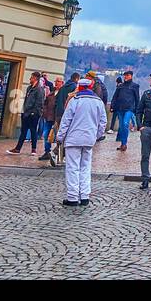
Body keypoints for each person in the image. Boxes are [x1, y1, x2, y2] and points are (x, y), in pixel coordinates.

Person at [56, 76, 107, 207]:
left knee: (73, 168)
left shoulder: (75, 100)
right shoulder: (98, 102)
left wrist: (60, 137)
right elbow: (103, 123)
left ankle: (72, 196)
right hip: (89, 139)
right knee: (85, 167)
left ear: (79, 87)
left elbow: (65, 121)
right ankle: (85, 195)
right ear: (90, 87)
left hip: (73, 138)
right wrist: (96, 136)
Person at [8, 72, 47, 154]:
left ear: (35, 78)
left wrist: (33, 112)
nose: (30, 79)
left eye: (31, 77)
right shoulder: (29, 88)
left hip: (33, 114)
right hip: (26, 113)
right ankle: (18, 149)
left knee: (33, 131)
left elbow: (39, 103)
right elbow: (27, 100)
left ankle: (33, 149)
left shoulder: (39, 89)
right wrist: (24, 111)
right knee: (23, 131)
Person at [44, 74, 75, 164]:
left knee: (60, 136)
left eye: (58, 81)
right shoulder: (52, 92)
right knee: (48, 135)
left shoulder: (64, 91)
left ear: (62, 83)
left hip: (59, 117)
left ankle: (57, 154)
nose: (56, 83)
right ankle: (48, 151)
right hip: (51, 116)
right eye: (55, 81)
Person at [111, 70, 139, 152]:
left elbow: (137, 98)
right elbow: (115, 97)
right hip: (120, 108)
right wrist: (112, 106)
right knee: (122, 126)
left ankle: (124, 143)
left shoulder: (135, 86)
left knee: (125, 124)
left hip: (129, 109)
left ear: (131, 76)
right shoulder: (120, 86)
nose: (125, 77)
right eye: (125, 75)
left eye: (127, 75)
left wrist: (137, 110)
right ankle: (122, 143)